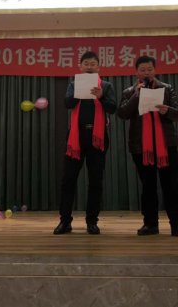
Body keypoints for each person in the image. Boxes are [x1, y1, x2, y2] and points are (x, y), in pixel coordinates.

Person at [117, 55, 178, 238]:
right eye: (142, 70)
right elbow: (123, 113)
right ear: (136, 72)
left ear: (155, 70)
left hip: (166, 144)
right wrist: (136, 95)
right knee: (148, 186)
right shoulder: (129, 91)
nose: (146, 73)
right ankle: (150, 224)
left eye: (149, 69)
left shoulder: (167, 88)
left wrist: (167, 110)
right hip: (141, 147)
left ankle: (177, 225)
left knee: (171, 185)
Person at [54, 51, 117, 235]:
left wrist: (101, 96)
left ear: (98, 68)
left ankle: (92, 221)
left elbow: (113, 108)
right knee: (68, 180)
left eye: (93, 64)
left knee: (95, 181)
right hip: (76, 137)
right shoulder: (74, 84)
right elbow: (67, 103)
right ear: (80, 67)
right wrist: (79, 93)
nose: (89, 67)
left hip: (97, 138)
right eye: (86, 64)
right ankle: (65, 221)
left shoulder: (106, 86)